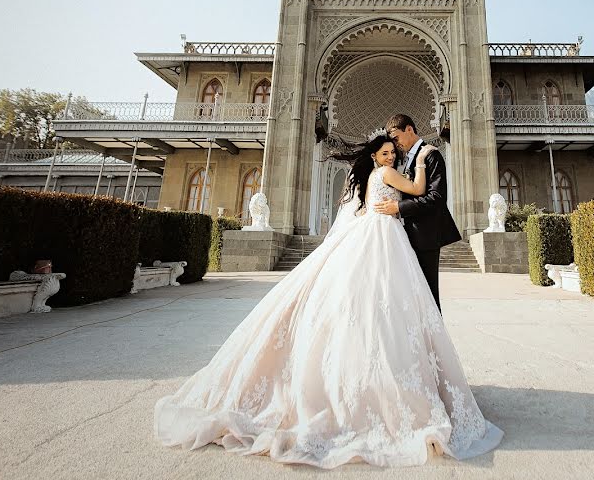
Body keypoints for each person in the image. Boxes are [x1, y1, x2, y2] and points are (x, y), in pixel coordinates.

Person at [153, 132, 503, 468]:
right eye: (385, 153)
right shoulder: (387, 172)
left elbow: (373, 204)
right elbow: (417, 189)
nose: (390, 157)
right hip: (385, 235)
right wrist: (423, 162)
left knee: (366, 302)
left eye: (392, 153)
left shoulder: (369, 177)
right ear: (375, 157)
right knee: (384, 304)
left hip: (372, 231)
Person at [375, 114, 461, 313]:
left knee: (428, 295)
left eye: (396, 138)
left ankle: (435, 342)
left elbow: (437, 198)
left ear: (410, 130)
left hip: (426, 235)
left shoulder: (431, 154)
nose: (395, 145)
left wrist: (399, 207)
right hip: (406, 236)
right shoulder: (403, 160)